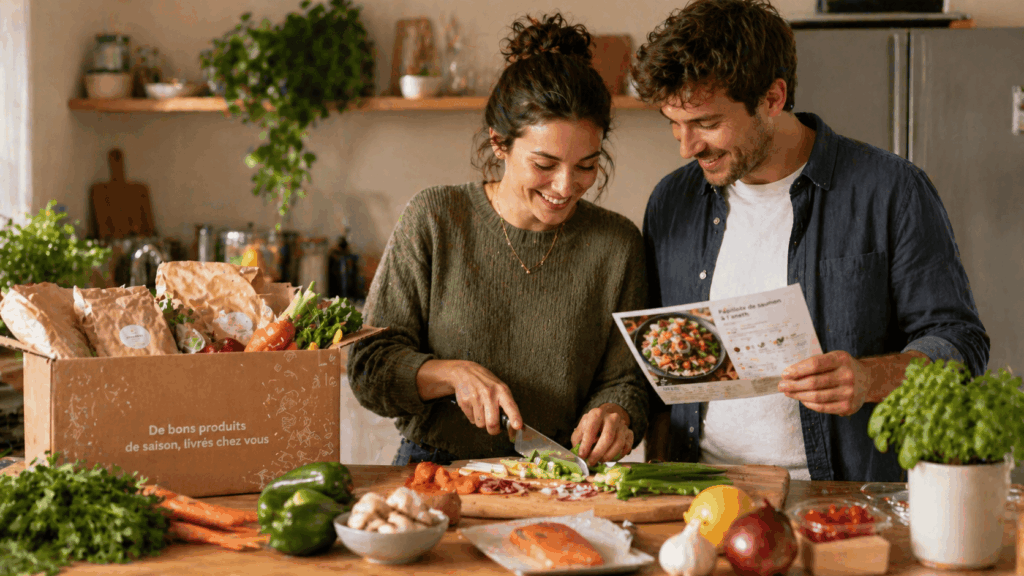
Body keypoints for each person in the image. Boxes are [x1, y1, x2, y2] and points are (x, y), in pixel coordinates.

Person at [631, 0, 989, 482]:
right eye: (674, 123)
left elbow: (961, 344)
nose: (686, 146)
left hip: (840, 496)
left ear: (773, 98)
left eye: (708, 124)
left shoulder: (891, 190)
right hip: (697, 493)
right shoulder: (673, 199)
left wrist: (868, 379)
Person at [346, 14, 648, 467]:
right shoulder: (435, 218)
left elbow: (628, 380)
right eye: (544, 164)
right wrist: (451, 374)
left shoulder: (617, 245)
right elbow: (369, 367)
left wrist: (616, 413)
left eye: (587, 165)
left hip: (560, 475)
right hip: (435, 469)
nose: (565, 186)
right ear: (499, 144)